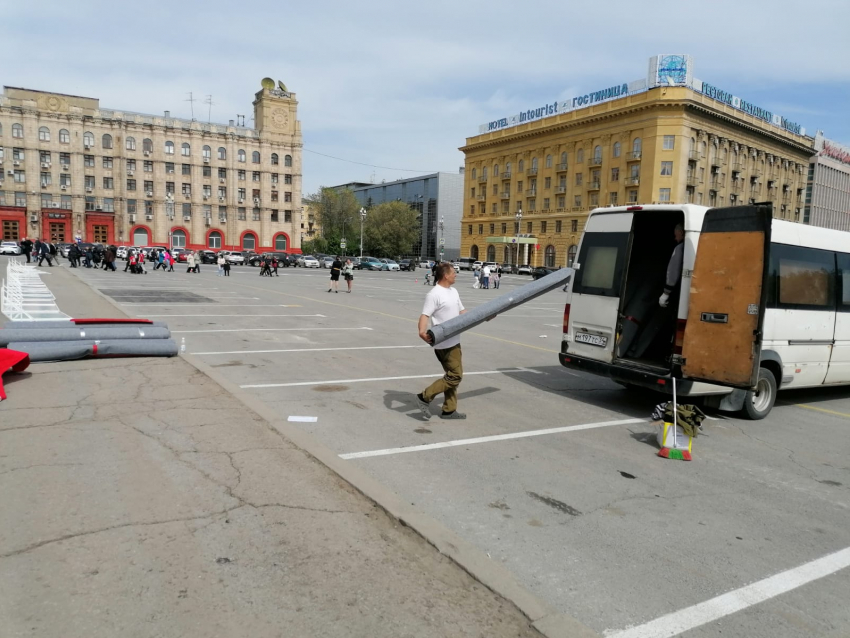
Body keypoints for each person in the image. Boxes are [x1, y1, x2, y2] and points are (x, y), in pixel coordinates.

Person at [416, 262, 468, 420]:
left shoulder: (453, 291)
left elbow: (462, 312)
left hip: (455, 340)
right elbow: (425, 315)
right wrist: (421, 332)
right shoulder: (434, 294)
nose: (455, 274)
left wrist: (483, 316)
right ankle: (425, 396)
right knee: (455, 376)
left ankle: (449, 410)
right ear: (446, 275)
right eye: (453, 272)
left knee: (451, 375)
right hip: (444, 342)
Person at [659, 224, 685, 308]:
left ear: (681, 232)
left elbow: (673, 270)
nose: (675, 238)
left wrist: (666, 293)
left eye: (676, 235)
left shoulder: (680, 248)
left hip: (678, 290)